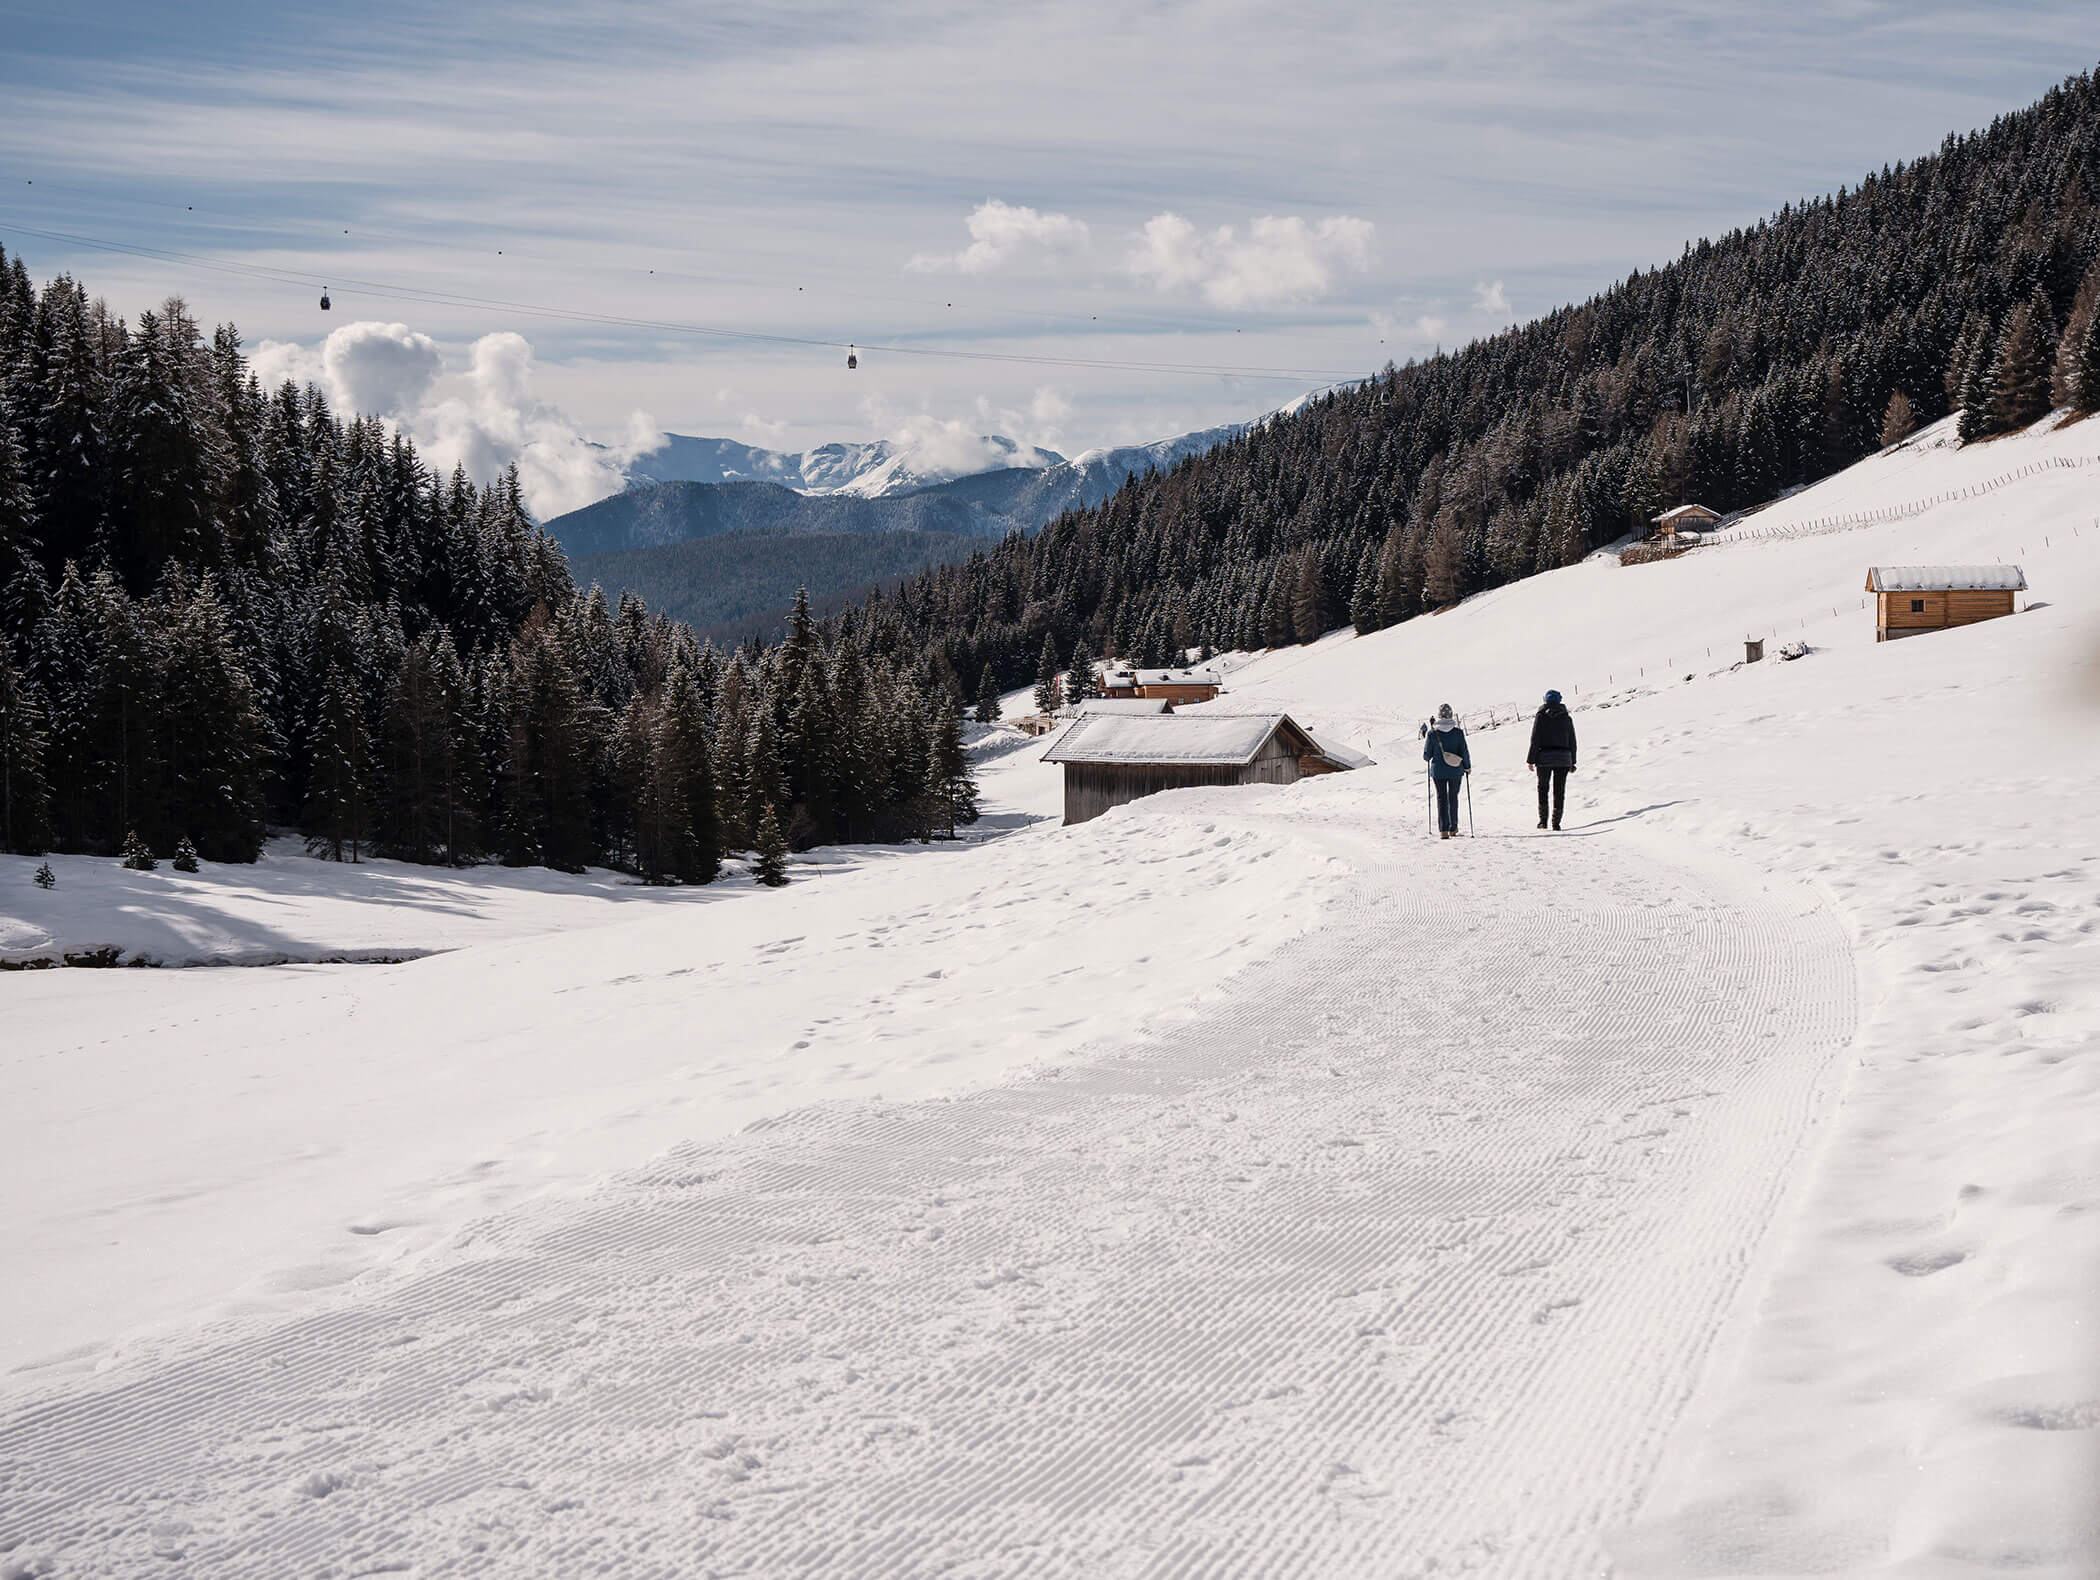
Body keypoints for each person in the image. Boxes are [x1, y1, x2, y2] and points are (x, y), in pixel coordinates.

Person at [1527, 689, 1577, 830]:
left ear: (1546, 701)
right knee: (1559, 790)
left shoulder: (1541, 716)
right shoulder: (1566, 718)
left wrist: (1531, 759)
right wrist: (1572, 761)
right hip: (1563, 758)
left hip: (1544, 758)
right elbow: (1572, 740)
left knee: (1543, 789)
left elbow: (1535, 738)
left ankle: (1543, 822)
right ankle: (1556, 823)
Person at [1422, 703, 1470, 839]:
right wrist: (1467, 766)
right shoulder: (1458, 733)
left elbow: (1427, 756)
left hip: (1438, 771)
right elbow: (1464, 752)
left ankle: (1443, 829)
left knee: (1441, 798)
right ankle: (1453, 828)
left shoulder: (1432, 733)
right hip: (1455, 770)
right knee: (1453, 797)